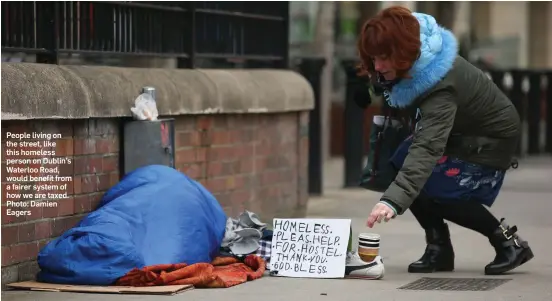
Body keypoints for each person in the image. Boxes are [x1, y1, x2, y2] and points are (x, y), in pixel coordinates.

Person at [357, 6, 534, 275]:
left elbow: (428, 147)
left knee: (441, 192)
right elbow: (394, 82)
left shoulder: (439, 84)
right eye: (374, 59)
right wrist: (371, 85)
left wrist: (391, 201)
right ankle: (438, 248)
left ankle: (508, 243)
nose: (378, 66)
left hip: (489, 137)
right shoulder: (414, 54)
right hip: (456, 131)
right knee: (399, 164)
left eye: (383, 58)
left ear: (404, 53)